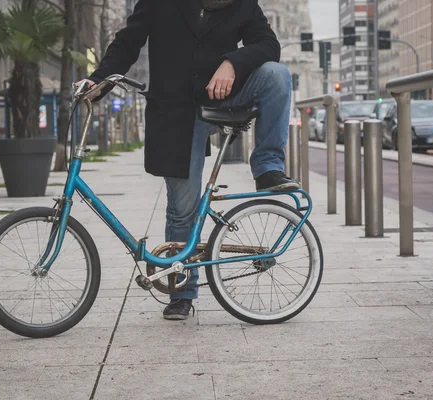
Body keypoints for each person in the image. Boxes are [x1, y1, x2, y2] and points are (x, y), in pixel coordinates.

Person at [76, 0, 299, 320]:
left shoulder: (242, 3)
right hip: (176, 109)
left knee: (277, 75)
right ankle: (182, 292)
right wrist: (99, 80)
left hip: (223, 97)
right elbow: (128, 41)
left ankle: (267, 167)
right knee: (182, 207)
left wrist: (233, 62)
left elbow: (267, 44)